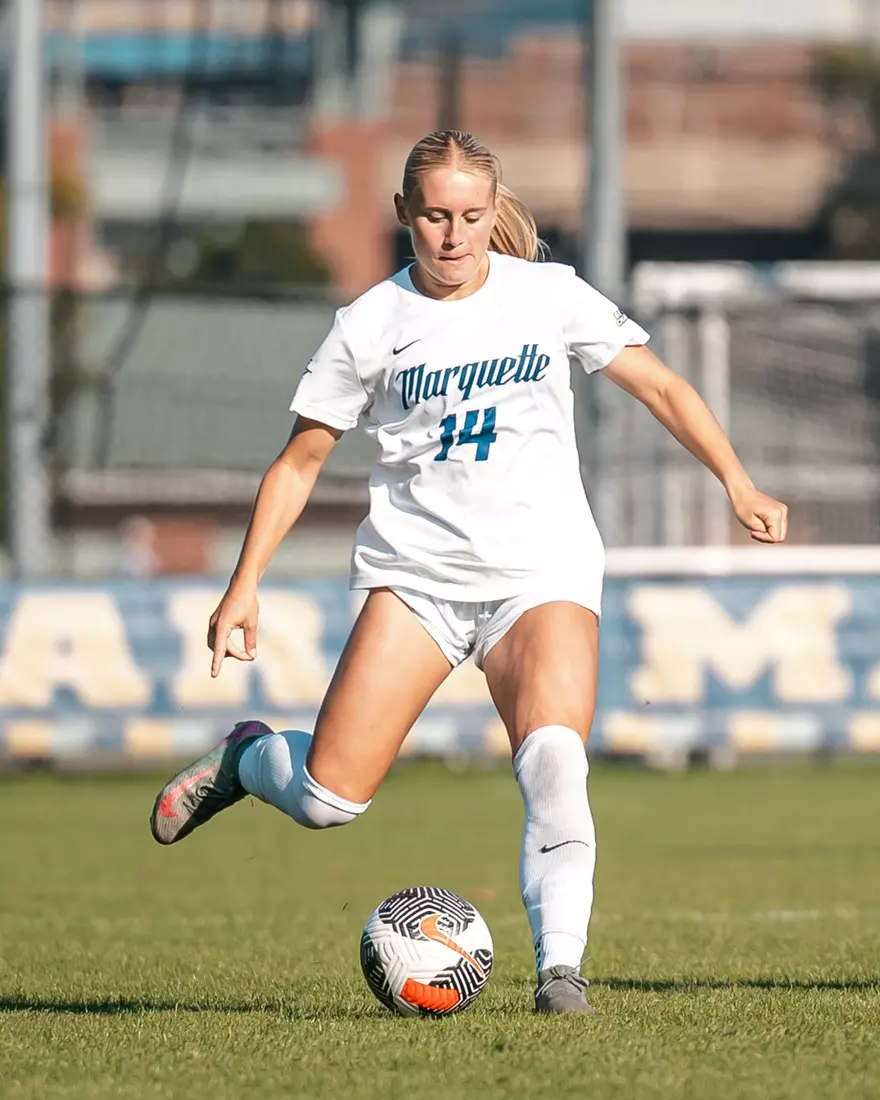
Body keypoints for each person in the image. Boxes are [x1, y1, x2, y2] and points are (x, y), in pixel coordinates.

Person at [149, 130, 787, 1015]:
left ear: (495, 212)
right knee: (330, 799)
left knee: (557, 759)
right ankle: (250, 758)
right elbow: (299, 462)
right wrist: (244, 581)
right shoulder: (369, 324)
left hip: (542, 571)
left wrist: (737, 479)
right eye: (437, 218)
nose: (455, 237)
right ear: (404, 214)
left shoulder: (548, 295)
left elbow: (663, 387)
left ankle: (560, 972)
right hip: (417, 577)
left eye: (473, 217)